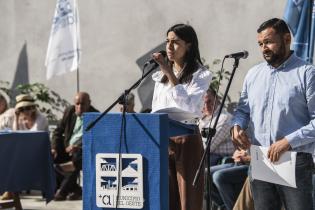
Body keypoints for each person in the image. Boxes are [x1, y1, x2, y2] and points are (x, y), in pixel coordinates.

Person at [231, 18, 315, 210]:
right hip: (261, 158)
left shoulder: (306, 73)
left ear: (286, 39)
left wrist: (287, 141)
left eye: (268, 42)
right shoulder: (253, 74)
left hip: (294, 160)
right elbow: (243, 111)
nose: (264, 48)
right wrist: (236, 127)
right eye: (260, 44)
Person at [151, 23, 212, 210]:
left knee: (188, 201)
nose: (169, 47)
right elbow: (156, 108)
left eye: (175, 42)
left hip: (187, 138)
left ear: (189, 45)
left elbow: (190, 106)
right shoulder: (159, 77)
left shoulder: (201, 74)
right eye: (167, 41)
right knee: (166, 199)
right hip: (163, 139)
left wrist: (169, 73)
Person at [51, 92, 99, 201]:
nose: (80, 107)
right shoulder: (69, 111)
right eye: (77, 104)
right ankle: (76, 189)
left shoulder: (95, 116)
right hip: (66, 148)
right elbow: (57, 132)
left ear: (89, 103)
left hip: (81, 151)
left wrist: (77, 146)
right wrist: (54, 148)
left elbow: (94, 139)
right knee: (50, 157)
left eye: (83, 104)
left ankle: (62, 192)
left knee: (77, 157)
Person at [0, 94, 48, 200]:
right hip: (22, 152)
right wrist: (17, 119)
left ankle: (9, 190)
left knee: (10, 159)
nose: (25, 111)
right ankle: (9, 190)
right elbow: (15, 136)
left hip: (38, 152)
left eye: (28, 108)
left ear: (33, 108)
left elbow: (34, 138)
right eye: (21, 109)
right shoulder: (20, 118)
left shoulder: (41, 119)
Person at [199, 88, 235, 166]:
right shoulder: (202, 117)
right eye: (203, 103)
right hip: (207, 155)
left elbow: (207, 147)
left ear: (217, 99)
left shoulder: (224, 118)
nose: (206, 106)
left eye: (209, 102)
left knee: (191, 161)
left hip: (220, 159)